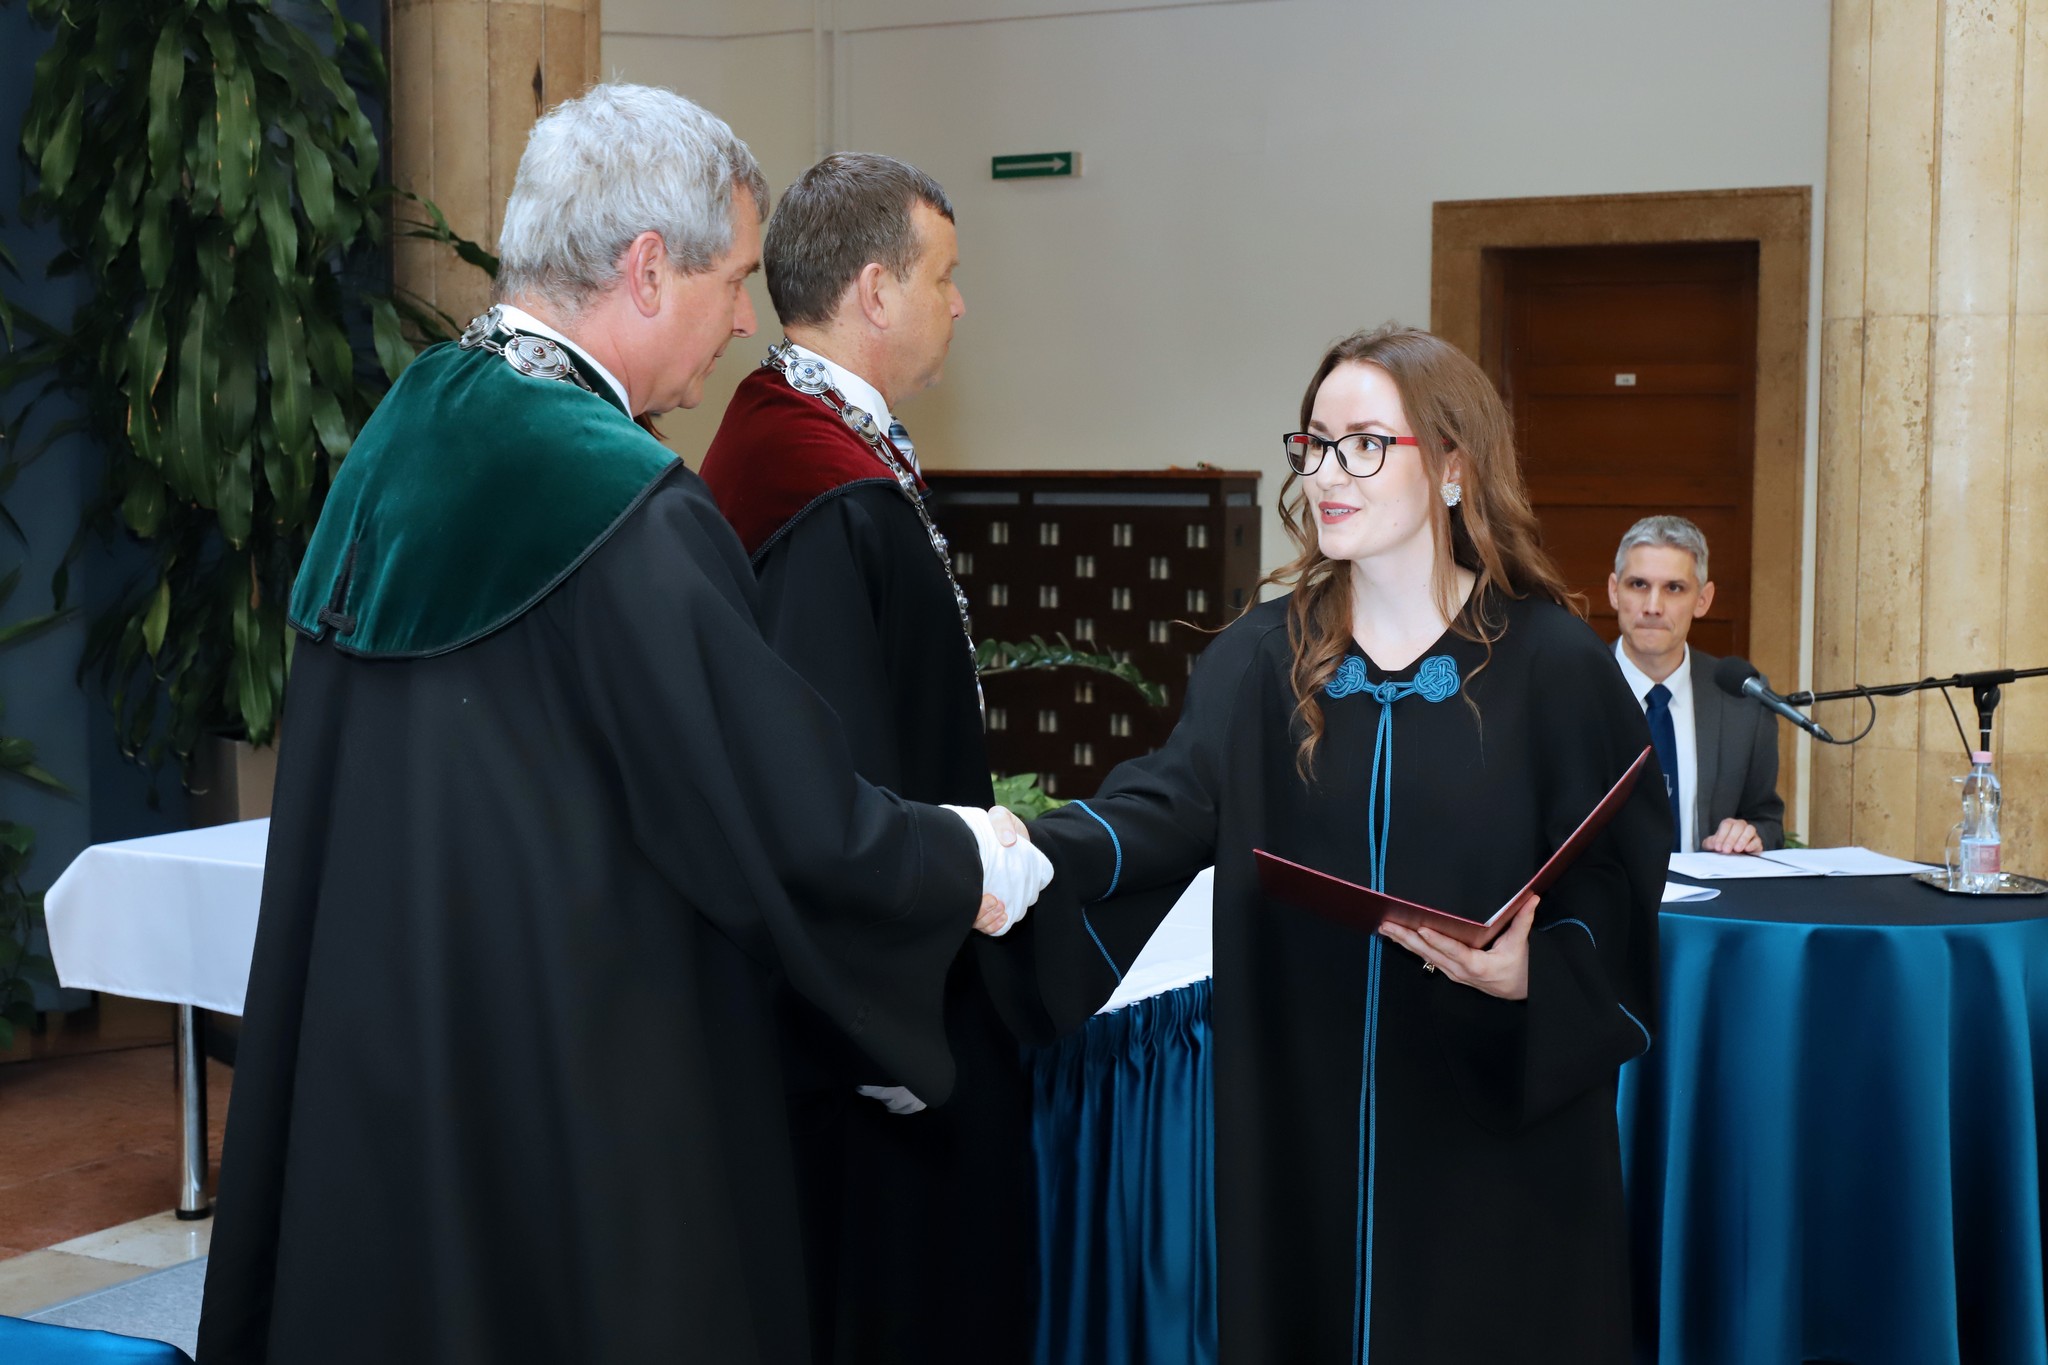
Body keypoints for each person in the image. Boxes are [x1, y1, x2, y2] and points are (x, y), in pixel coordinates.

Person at [195, 85, 1050, 1365]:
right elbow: (778, 822)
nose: (747, 321)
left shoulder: (402, 435)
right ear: (648, 268)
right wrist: (959, 860)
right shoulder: (620, 505)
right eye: (735, 280)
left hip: (400, 1063)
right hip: (569, 1087)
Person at [1026, 324, 1669, 1363]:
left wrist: (1539, 970)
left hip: (1486, 1122)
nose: (1327, 473)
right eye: (1315, 444)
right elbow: (1166, 804)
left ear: (1453, 468)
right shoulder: (1259, 656)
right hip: (1303, 1103)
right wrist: (1026, 853)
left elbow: (1616, 872)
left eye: (1365, 444)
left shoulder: (1551, 664)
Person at [698, 154, 1034, 1365]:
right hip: (869, 1035)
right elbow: (830, 786)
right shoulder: (822, 486)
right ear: (876, 290)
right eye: (944, 277)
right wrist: (890, 1031)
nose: (960, 303)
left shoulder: (793, 437)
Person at [1607, 514, 1786, 853]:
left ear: (1703, 599)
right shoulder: (1569, 690)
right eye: (1639, 585)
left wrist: (1748, 834)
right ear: (1614, 591)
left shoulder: (1743, 699)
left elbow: (1767, 820)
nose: (1653, 607)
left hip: (1703, 888)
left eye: (1674, 588)